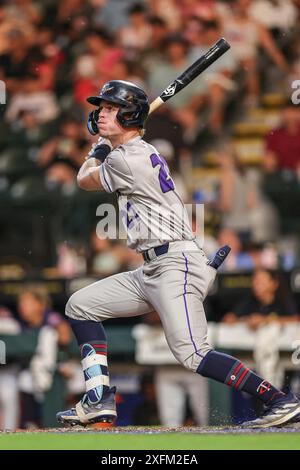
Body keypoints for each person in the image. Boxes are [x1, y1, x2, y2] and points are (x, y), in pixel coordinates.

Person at [57, 80, 300, 429]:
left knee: (192, 354)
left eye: (111, 109)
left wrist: (96, 150)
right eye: (103, 108)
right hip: (152, 267)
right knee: (79, 305)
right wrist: (105, 145)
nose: (101, 114)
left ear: (129, 116)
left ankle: (279, 400)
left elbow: (83, 179)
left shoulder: (127, 159)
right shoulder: (130, 152)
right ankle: (98, 397)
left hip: (174, 263)